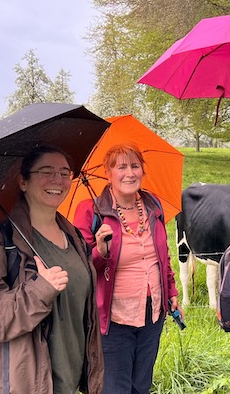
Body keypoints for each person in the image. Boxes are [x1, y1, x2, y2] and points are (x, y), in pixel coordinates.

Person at [0, 145, 104, 394]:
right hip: (27, 384)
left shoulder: (73, 237)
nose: (58, 180)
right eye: (46, 171)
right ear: (23, 181)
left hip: (69, 381)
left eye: (65, 173)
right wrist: (40, 290)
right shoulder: (1, 239)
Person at [73, 143, 183, 394]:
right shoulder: (91, 211)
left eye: (135, 166)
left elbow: (162, 256)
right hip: (113, 319)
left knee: (141, 386)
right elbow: (79, 267)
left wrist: (171, 292)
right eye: (121, 167)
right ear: (108, 173)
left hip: (152, 314)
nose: (130, 173)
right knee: (116, 388)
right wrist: (100, 251)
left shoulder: (153, 205)